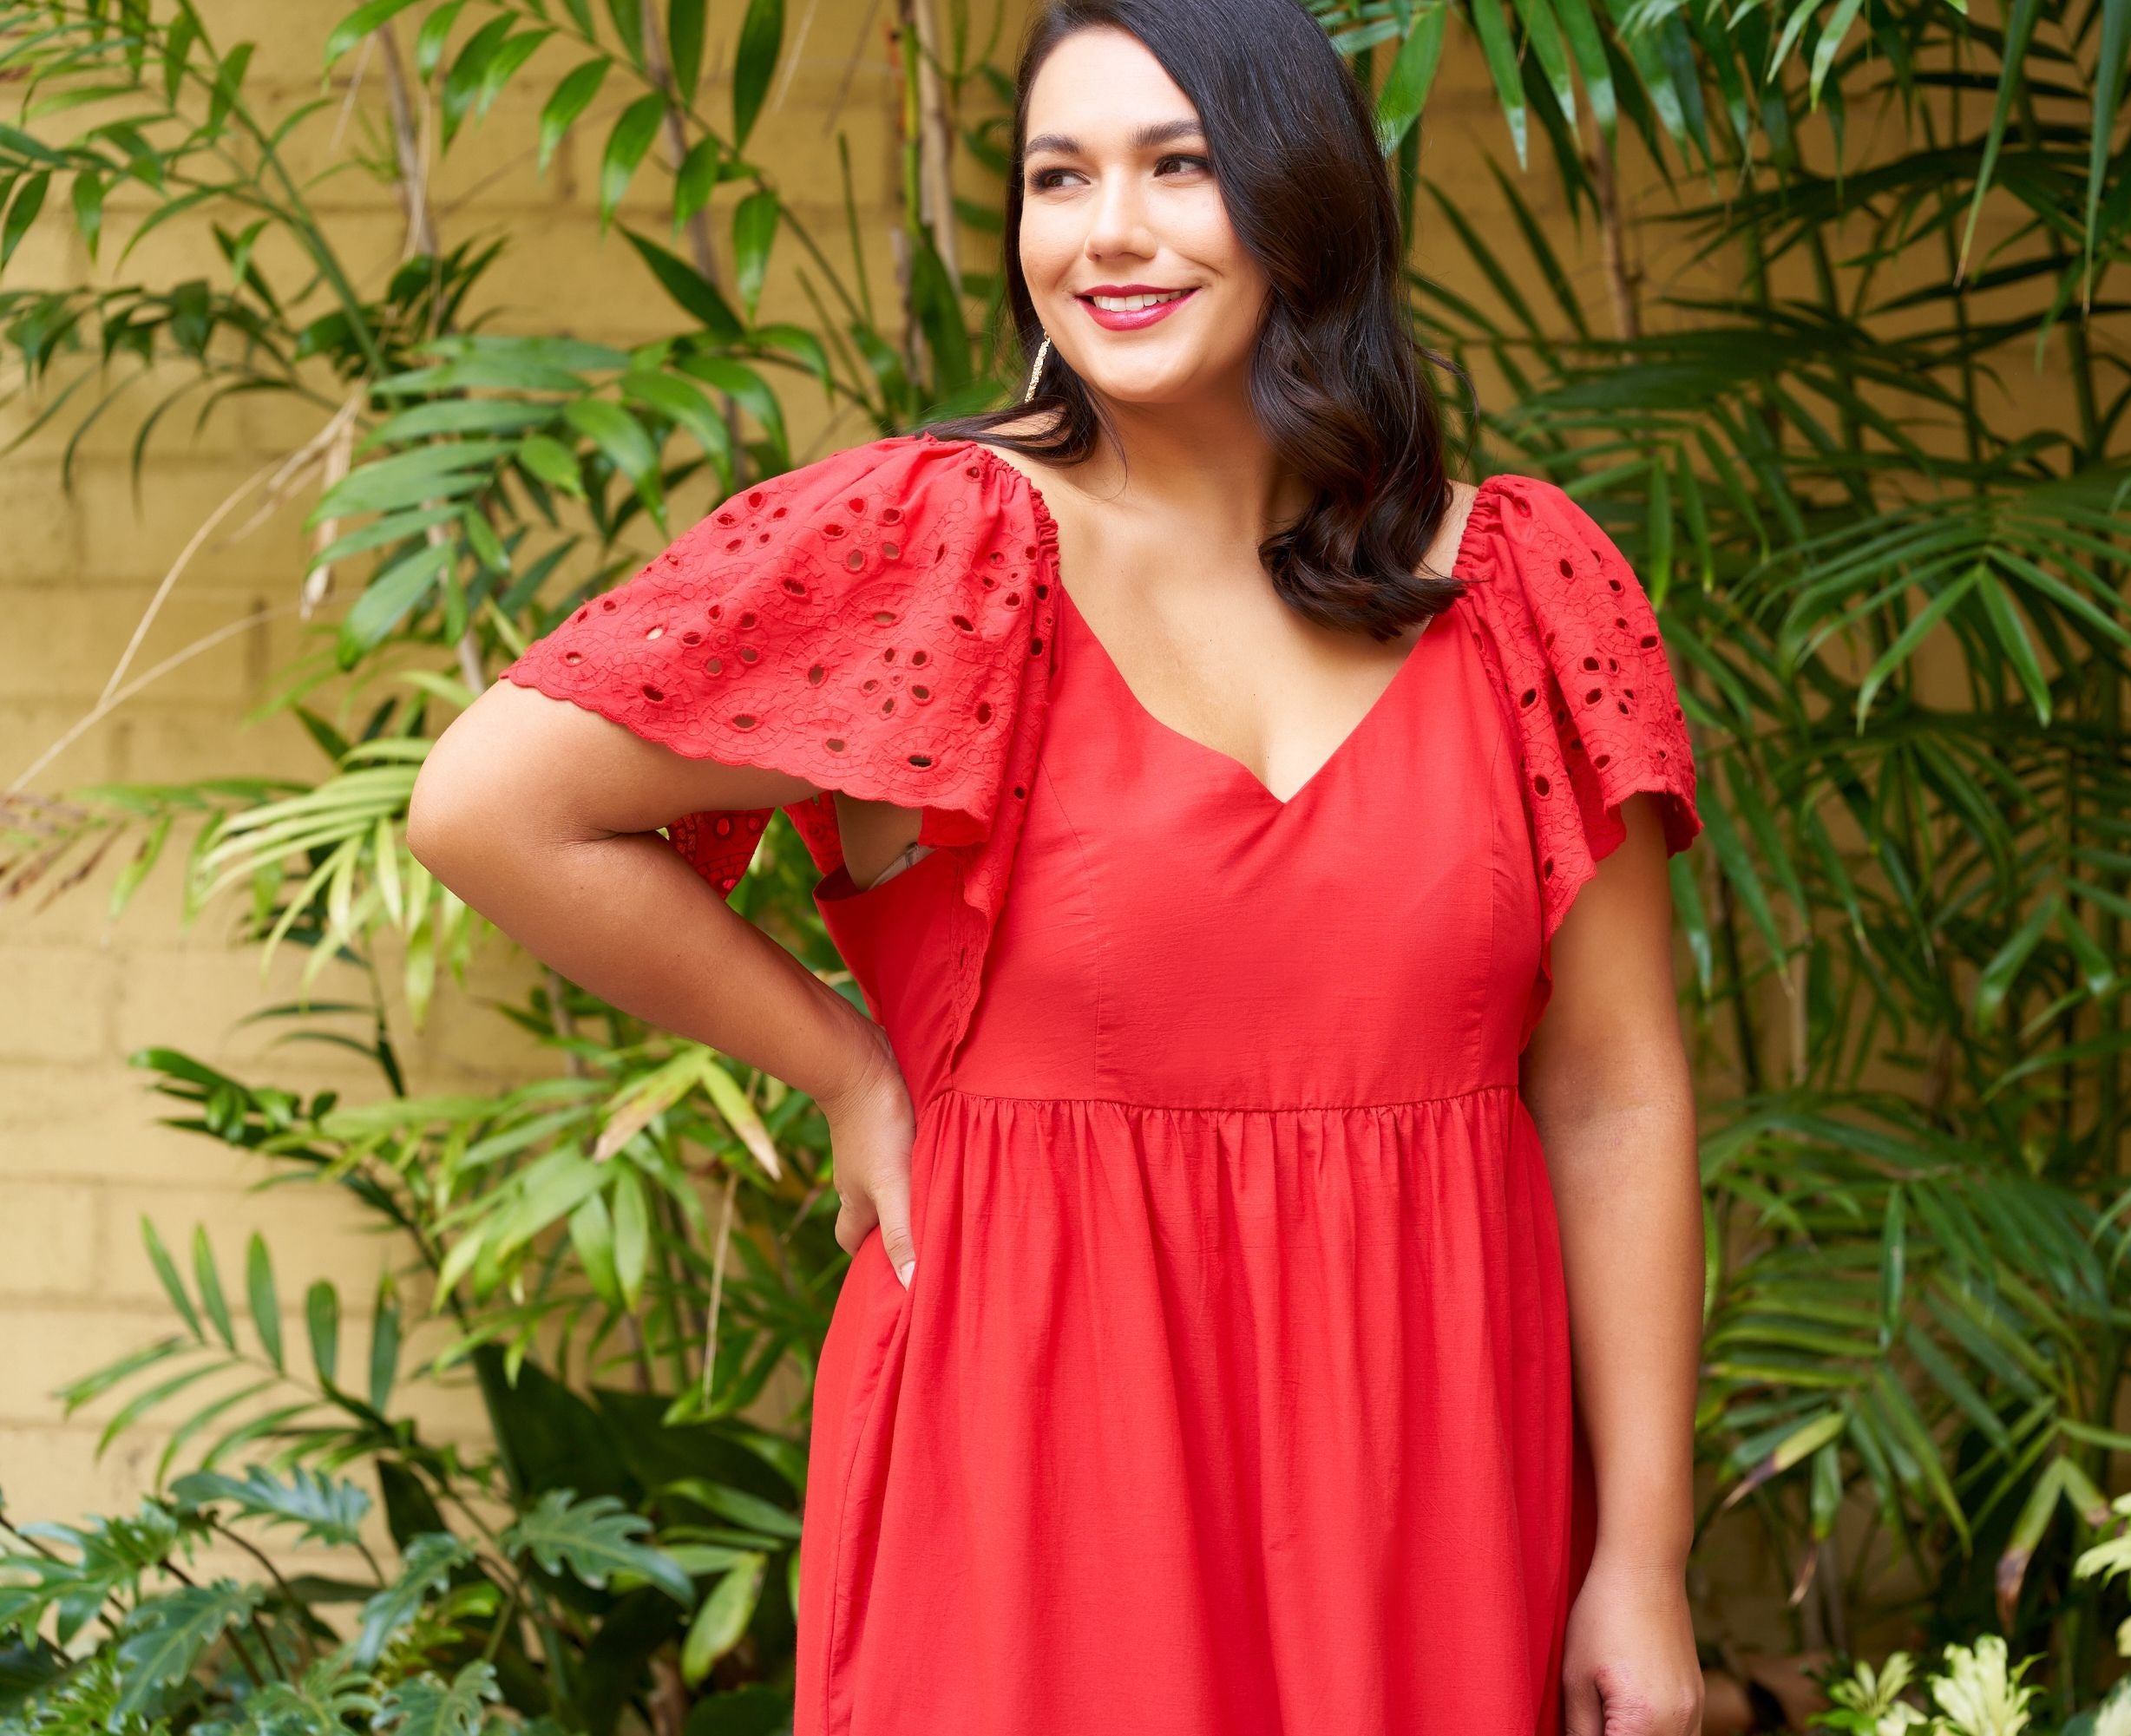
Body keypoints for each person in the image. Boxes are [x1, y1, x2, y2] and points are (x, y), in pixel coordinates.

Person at [406, 0, 1707, 1728]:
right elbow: (492, 800)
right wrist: (845, 1062)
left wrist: (1643, 1559)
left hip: (1429, 1483)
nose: (1107, 232)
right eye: (1056, 175)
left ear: (1302, 198)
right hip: (1029, 1476)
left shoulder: (1529, 583)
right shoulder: (935, 549)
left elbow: (1616, 1084)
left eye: (1179, 167)